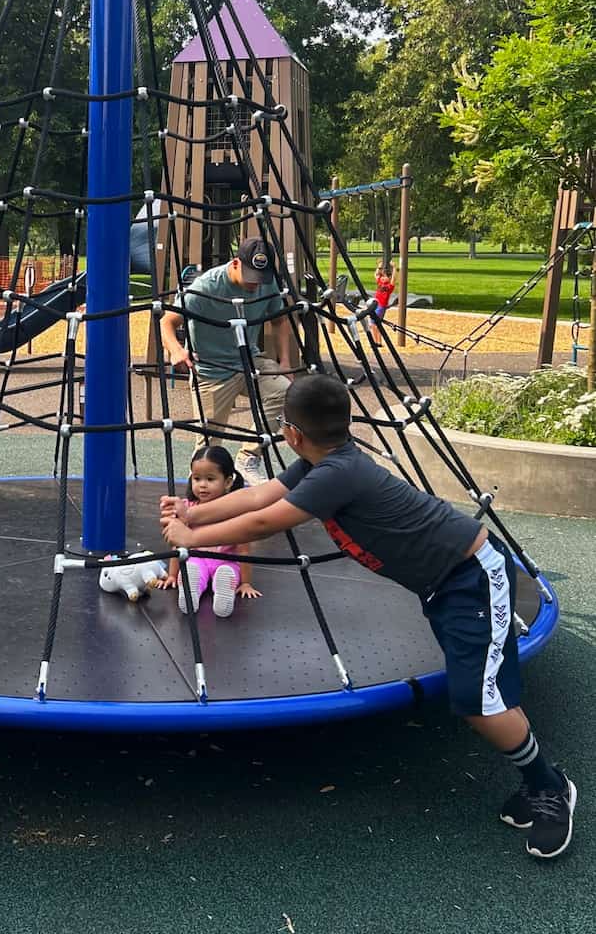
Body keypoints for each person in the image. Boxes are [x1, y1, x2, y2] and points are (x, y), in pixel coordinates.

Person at [160, 373, 576, 860]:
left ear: (290, 431)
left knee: (477, 702)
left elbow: (263, 521)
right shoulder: (324, 462)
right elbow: (256, 496)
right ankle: (539, 779)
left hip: (473, 578)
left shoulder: (337, 474)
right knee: (484, 693)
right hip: (447, 582)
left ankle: (550, 788)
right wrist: (194, 515)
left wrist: (193, 539)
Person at [159, 237, 293, 482]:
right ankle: (200, 491)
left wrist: (284, 361)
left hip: (249, 360)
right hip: (212, 368)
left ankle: (248, 457)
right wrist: (176, 349)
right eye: (250, 275)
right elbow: (167, 321)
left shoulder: (267, 282)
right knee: (208, 443)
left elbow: (281, 320)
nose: (255, 284)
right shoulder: (206, 287)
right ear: (235, 263)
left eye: (260, 277)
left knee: (286, 392)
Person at [155, 445, 261, 617]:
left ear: (228, 482)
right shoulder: (186, 507)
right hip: (197, 560)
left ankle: (223, 590)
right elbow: (177, 545)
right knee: (191, 568)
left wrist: (246, 583)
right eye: (197, 479)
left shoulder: (235, 510)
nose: (202, 485)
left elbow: (244, 549)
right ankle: (191, 590)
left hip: (226, 561)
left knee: (227, 572)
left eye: (210, 479)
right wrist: (172, 575)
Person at [372, 260, 396, 345]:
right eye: (382, 277)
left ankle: (378, 342)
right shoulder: (379, 282)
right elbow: (376, 274)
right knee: (374, 324)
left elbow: (393, 278)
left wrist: (394, 268)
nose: (382, 278)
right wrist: (379, 266)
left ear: (388, 279)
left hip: (381, 306)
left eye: (385, 277)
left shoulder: (389, 287)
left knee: (375, 324)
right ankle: (376, 341)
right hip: (376, 305)